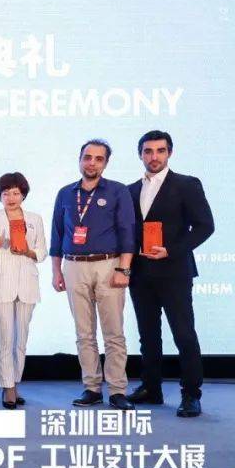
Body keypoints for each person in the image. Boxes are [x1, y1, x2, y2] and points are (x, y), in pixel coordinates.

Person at [125, 131, 214, 418]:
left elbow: (205, 226)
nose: (154, 157)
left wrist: (171, 251)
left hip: (175, 271)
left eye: (160, 151)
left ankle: (191, 395)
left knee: (184, 334)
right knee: (148, 336)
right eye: (148, 151)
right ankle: (151, 388)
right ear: (140, 154)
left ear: (169, 153)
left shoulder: (187, 184)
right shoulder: (130, 190)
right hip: (140, 274)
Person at [50, 139, 136, 410]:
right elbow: (57, 234)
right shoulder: (66, 193)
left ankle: (118, 390)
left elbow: (127, 231)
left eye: (99, 159)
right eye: (87, 157)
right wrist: (56, 271)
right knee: (84, 332)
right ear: (80, 159)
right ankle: (92, 388)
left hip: (109, 265)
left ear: (106, 163)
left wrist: (124, 269)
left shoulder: (118, 191)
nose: (92, 163)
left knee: (113, 332)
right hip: (73, 266)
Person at [0, 172, 46, 409]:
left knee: (21, 339)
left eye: (16, 193)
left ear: (23, 195)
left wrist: (28, 251)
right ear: (0, 195)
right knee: (4, 338)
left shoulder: (35, 219)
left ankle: (15, 382)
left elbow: (42, 251)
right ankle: (7, 387)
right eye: (6, 193)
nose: (11, 198)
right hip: (0, 285)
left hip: (27, 284)